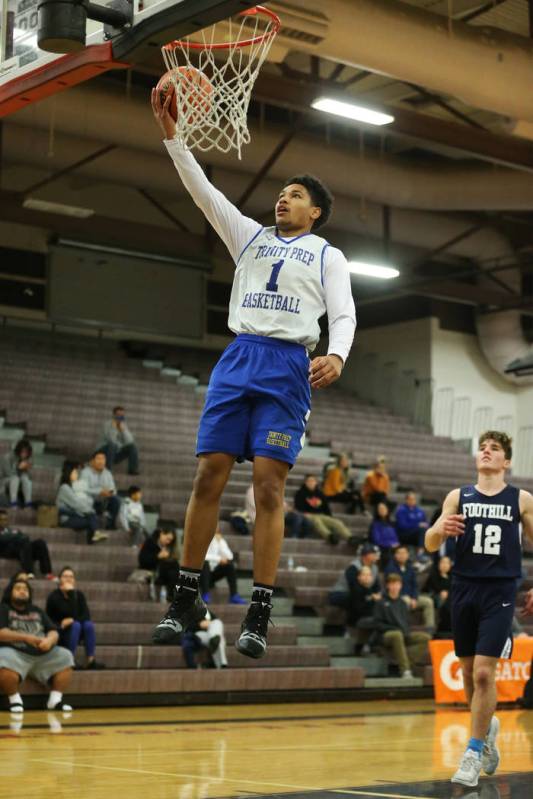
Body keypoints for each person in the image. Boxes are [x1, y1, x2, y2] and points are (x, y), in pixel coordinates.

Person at [151, 87, 356, 659]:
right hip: (240, 357)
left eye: (294, 196)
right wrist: (174, 139)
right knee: (208, 474)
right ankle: (186, 594)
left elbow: (344, 313)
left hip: (288, 365)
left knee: (268, 484)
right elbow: (204, 194)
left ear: (315, 211)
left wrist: (337, 353)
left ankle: (259, 608)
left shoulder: (326, 255)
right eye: (281, 194)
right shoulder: (250, 237)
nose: (282, 200)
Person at [425, 430, 533, 788]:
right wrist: (440, 527)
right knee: (470, 674)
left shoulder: (521, 500)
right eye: (483, 448)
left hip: (500, 591)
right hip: (463, 588)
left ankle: (472, 751)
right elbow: (429, 544)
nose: (487, 452)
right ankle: (486, 730)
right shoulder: (458, 496)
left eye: (495, 448)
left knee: (486, 674)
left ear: (507, 461)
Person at [0, 578, 74, 714]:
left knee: (66, 655)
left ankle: (55, 700)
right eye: (18, 588)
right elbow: (1, 633)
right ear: (10, 592)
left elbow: (53, 630)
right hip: (15, 653)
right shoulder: (3, 609)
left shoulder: (37, 610)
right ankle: (14, 700)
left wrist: (50, 640)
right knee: (2, 656)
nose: (22, 591)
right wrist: (26, 638)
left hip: (42, 654)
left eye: (25, 589)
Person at [373, 573, 430, 679]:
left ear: (401, 586)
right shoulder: (381, 602)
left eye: (397, 584)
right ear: (388, 586)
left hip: (402, 633)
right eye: (392, 584)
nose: (394, 587)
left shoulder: (403, 603)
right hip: (385, 635)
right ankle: (405, 670)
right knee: (397, 634)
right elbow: (377, 624)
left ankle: (406, 662)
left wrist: (406, 632)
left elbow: (406, 622)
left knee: (425, 637)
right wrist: (395, 629)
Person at [46, 566, 104, 670]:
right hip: (59, 630)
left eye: (71, 577)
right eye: (65, 576)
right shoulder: (54, 596)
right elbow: (65, 613)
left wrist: (72, 619)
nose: (68, 579)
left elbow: (86, 615)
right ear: (59, 580)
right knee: (76, 625)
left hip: (75, 630)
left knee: (88, 625)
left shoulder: (79, 595)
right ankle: (69, 660)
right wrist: (71, 594)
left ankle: (90, 660)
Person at [56, 460, 107, 545]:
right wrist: (90, 511)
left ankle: (94, 537)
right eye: (75, 472)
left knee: (92, 517)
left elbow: (82, 501)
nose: (78, 474)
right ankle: (93, 539)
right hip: (66, 519)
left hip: (75, 514)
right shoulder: (64, 488)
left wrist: (89, 510)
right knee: (92, 520)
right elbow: (76, 503)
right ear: (69, 473)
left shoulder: (73, 487)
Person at [294, 475, 353, 545]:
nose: (311, 483)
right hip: (308, 514)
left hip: (321, 514)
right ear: (305, 482)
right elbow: (298, 507)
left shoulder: (320, 493)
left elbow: (326, 507)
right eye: (309, 481)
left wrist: (330, 516)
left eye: (313, 481)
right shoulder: (300, 493)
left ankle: (350, 537)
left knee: (337, 522)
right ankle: (330, 536)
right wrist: (305, 513)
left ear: (316, 482)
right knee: (317, 521)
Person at [385, 545, 435, 628]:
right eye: (399, 553)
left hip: (411, 597)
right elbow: (392, 587)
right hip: (398, 597)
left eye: (404, 553)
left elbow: (415, 585)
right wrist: (406, 597)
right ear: (395, 555)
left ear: (408, 555)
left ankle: (430, 629)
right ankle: (404, 628)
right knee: (405, 601)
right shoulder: (390, 568)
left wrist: (414, 598)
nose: (402, 555)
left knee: (428, 602)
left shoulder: (410, 568)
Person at [0, 509, 55, 579]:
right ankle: (29, 572)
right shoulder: (12, 532)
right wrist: (16, 535)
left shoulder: (10, 530)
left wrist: (16, 535)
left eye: (5, 519)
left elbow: (21, 536)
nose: (3, 522)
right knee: (23, 541)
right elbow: (4, 538)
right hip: (5, 551)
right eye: (1, 519)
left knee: (40, 543)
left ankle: (47, 572)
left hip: (19, 549)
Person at [329, 542, 380, 612]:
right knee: (357, 598)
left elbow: (376, 586)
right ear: (365, 555)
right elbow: (354, 587)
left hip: (363, 593)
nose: (376, 555)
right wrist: (370, 595)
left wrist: (376, 595)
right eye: (373, 553)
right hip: (340, 593)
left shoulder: (375, 568)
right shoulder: (353, 567)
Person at [200, 529, 246, 605]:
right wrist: (219, 559)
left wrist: (220, 542)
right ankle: (205, 594)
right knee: (205, 564)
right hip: (200, 576)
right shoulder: (201, 536)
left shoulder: (218, 539)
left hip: (211, 575)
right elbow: (202, 557)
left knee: (230, 565)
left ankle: (233, 595)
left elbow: (230, 556)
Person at [139, 525, 180, 602]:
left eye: (170, 540)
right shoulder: (150, 542)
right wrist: (158, 556)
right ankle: (171, 596)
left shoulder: (169, 547)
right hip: (151, 572)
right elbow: (142, 561)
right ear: (161, 533)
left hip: (165, 574)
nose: (168, 542)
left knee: (175, 567)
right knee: (173, 568)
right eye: (167, 539)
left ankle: (172, 596)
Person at [80, 452, 120, 530]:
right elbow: (83, 489)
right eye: (98, 459)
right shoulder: (85, 472)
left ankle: (110, 523)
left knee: (116, 500)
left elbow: (113, 489)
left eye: (103, 459)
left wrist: (110, 493)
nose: (101, 461)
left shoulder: (108, 473)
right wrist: (99, 492)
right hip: (90, 501)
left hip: (103, 501)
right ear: (92, 461)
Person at [348, 566, 382, 652]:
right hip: (358, 620)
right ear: (358, 577)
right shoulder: (356, 590)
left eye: (369, 575)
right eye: (364, 574)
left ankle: (366, 644)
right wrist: (372, 600)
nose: (367, 577)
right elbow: (358, 610)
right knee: (381, 621)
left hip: (369, 618)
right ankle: (369, 644)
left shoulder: (370, 590)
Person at [98, 406, 139, 475]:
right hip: (103, 453)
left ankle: (132, 469)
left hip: (114, 454)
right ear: (114, 415)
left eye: (122, 415)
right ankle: (107, 470)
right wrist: (114, 428)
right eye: (118, 415)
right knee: (113, 445)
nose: (120, 417)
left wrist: (123, 430)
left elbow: (130, 441)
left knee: (132, 446)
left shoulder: (123, 426)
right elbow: (111, 440)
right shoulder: (107, 424)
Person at [0, 438, 33, 508]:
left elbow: (30, 476)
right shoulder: (8, 457)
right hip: (5, 480)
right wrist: (19, 468)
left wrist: (27, 469)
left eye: (26, 452)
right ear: (19, 450)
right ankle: (13, 502)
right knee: (15, 478)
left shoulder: (27, 459)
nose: (24, 454)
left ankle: (28, 503)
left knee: (26, 479)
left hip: (18, 480)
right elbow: (8, 473)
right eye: (23, 451)